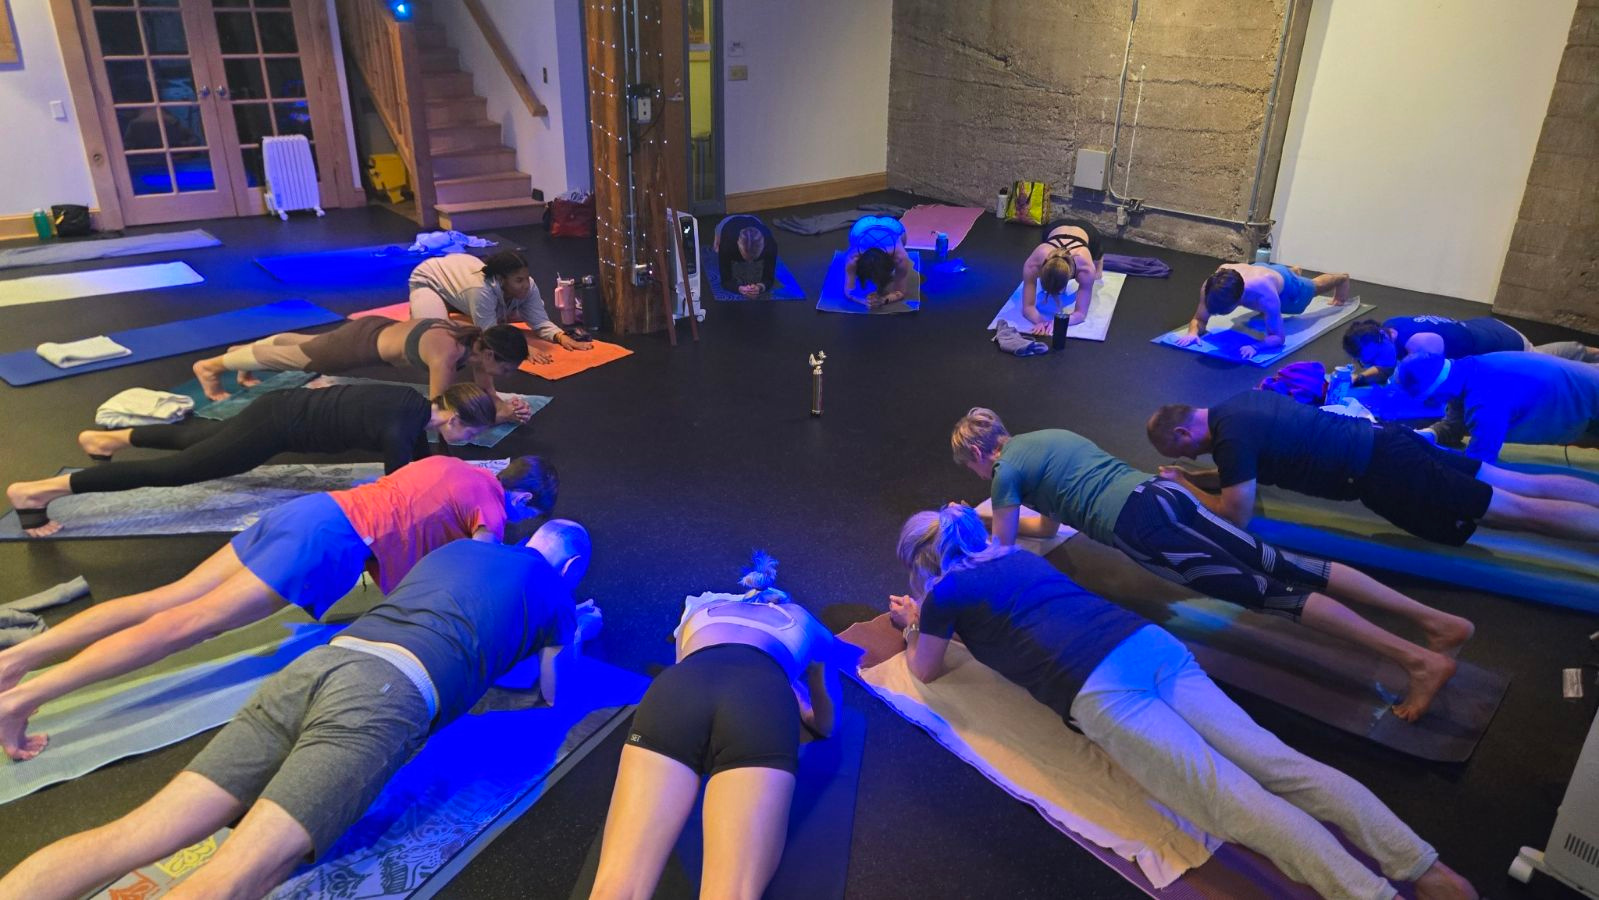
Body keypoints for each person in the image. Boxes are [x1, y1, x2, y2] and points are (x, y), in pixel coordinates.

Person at [890, 504, 1477, 900]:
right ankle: (1427, 869)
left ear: (925, 561)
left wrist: (915, 624)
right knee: (1281, 766)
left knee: (1236, 802)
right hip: (1148, 647)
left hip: (1099, 687)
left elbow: (929, 672)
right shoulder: (1014, 557)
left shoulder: (945, 591)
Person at [0, 525, 600, 899]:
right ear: (570, 568)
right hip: (382, 697)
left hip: (319, 667)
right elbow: (553, 693)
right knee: (235, 875)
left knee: (134, 834)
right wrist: (575, 631)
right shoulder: (556, 593)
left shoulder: (462, 547)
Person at [0, 454, 558, 760]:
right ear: (524, 498)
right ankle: (26, 697)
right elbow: (478, 575)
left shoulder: (455, 465)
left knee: (167, 600)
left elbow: (411, 524)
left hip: (311, 512)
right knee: (185, 626)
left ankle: (17, 663)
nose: (516, 524)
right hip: (325, 542)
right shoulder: (493, 507)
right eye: (524, 516)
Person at [950, 408, 1472, 722]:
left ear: (979, 454)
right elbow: (1058, 519)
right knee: (1287, 563)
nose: (977, 476)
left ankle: (1419, 661)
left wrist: (968, 527)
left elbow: (1004, 549)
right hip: (1162, 497)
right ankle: (1437, 623)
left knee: (1275, 595)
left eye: (970, 467)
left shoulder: (1004, 471)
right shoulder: (1050, 437)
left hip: (1144, 530)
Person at [590, 553, 845, 900]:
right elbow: (827, 723)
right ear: (782, 602)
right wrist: (795, 697)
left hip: (679, 689)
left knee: (617, 888)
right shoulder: (810, 626)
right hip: (759, 700)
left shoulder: (698, 614)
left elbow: (695, 675)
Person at [6, 383, 499, 538]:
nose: (470, 439)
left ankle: (109, 440)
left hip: (281, 410)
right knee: (184, 471)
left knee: (210, 438)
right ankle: (39, 493)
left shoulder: (414, 410)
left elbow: (420, 463)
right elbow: (399, 492)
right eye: (472, 430)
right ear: (453, 415)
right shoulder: (402, 426)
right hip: (277, 425)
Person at [1145, 390, 1599, 545]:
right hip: (1389, 439)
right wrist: (1191, 479)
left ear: (1184, 434)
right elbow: (1237, 479)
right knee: (1515, 482)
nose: (1189, 459)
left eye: (1181, 453)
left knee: (1514, 510)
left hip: (1385, 470)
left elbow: (1234, 514)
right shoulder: (1238, 406)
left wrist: (1185, 488)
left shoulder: (1230, 439)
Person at [190, 317, 532, 423]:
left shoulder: (476, 344)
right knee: (301, 357)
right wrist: (495, 417)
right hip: (360, 343)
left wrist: (505, 406)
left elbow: (486, 390)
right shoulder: (447, 353)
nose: (507, 373)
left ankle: (241, 355)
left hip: (376, 330)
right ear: (489, 354)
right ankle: (210, 367)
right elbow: (438, 409)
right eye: (506, 367)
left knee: (304, 345)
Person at [1395, 351, 1599, 462]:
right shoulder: (1466, 370)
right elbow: (1455, 424)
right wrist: (1428, 434)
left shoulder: (1484, 399)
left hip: (1589, 400)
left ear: (1437, 390)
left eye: (1430, 400)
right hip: (1583, 390)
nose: (1434, 405)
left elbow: (1480, 460)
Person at [407, 251, 592, 364]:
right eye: (519, 280)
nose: (526, 284)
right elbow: (490, 335)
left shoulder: (529, 286)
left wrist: (561, 337)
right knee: (434, 338)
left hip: (462, 283)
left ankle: (460, 305)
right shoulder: (481, 290)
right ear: (502, 280)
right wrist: (523, 349)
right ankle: (426, 305)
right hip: (429, 279)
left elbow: (540, 321)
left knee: (526, 312)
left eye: (526, 278)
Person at [1341, 315, 1599, 387]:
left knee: (1550, 369)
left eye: (1374, 357)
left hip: (1502, 342)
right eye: (1366, 361)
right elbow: (1385, 365)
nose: (1373, 363)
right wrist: (1360, 377)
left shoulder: (1419, 345)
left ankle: (1588, 356)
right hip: (1484, 327)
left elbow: (1433, 389)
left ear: (1382, 339)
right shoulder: (1390, 328)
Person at [1176, 262, 1351, 359]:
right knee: (1275, 275)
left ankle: (1341, 278)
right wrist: (1193, 333)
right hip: (1261, 268)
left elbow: (1278, 337)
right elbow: (1199, 319)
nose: (1217, 313)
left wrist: (1257, 346)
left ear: (1239, 300)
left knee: (1314, 287)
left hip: (1286, 288)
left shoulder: (1265, 294)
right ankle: (1291, 270)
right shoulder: (1213, 285)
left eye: (1223, 311)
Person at [1018, 217, 1104, 334]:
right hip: (1054, 228)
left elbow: (1080, 314)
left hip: (1088, 231)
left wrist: (1058, 322)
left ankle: (1100, 257)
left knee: (1097, 276)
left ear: (1070, 276)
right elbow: (1027, 308)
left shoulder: (1085, 268)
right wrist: (1041, 321)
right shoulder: (1035, 261)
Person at [843, 215, 914, 309]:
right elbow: (848, 290)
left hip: (893, 228)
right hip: (862, 227)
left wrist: (883, 300)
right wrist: (864, 301)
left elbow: (901, 291)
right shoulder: (853, 256)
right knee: (854, 239)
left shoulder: (900, 256)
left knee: (902, 239)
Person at [714, 214, 778, 298]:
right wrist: (739, 288)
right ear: (738, 244)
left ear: (763, 246)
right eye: (747, 257)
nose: (750, 261)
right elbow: (725, 280)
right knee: (716, 248)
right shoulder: (728, 243)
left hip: (754, 220)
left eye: (754, 257)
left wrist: (760, 287)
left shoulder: (770, 244)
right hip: (728, 223)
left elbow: (769, 278)